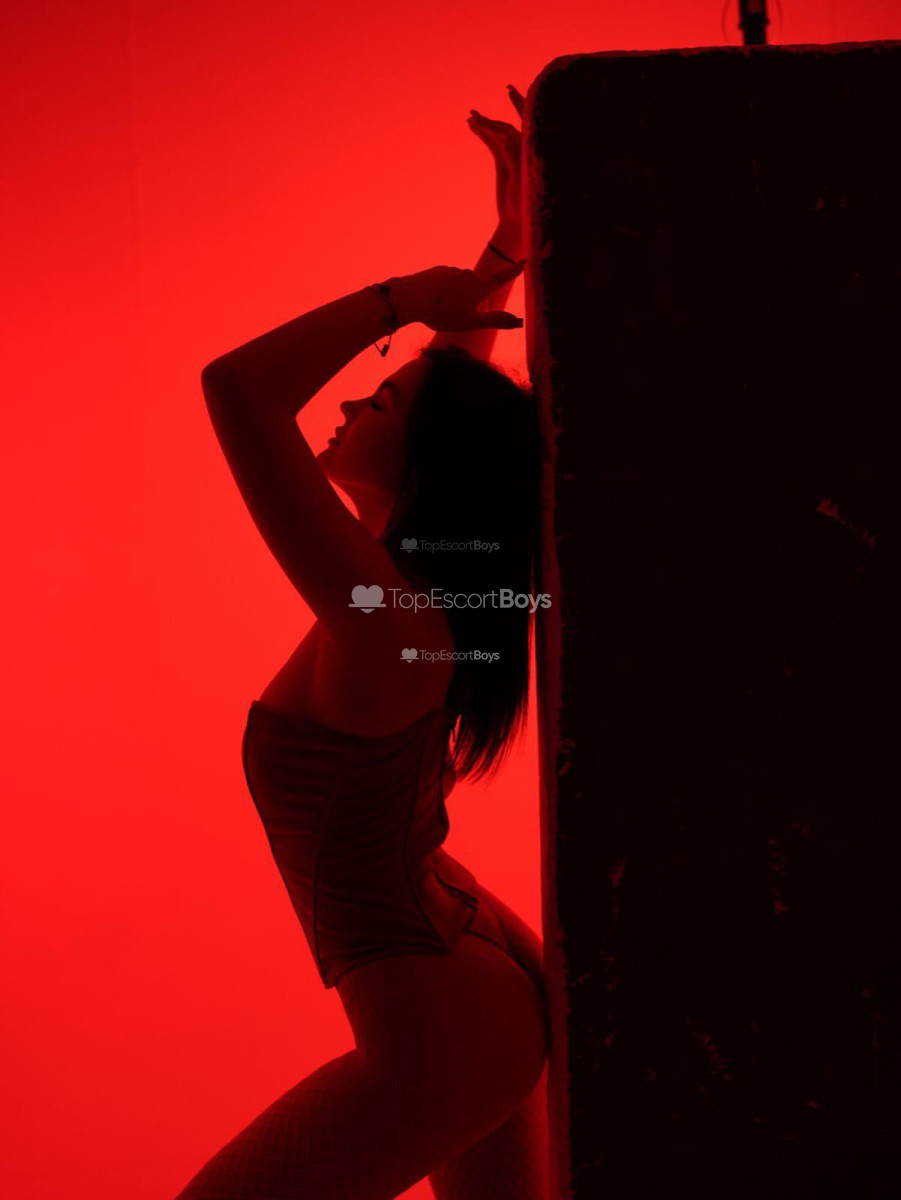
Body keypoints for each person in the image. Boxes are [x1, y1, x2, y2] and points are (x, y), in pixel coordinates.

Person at [175, 85, 550, 1200]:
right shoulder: (408, 599)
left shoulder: (391, 625)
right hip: (462, 989)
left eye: (377, 401)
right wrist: (501, 255)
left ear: (426, 467)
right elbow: (458, 411)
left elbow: (239, 392)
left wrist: (398, 299)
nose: (345, 407)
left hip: (444, 1029)